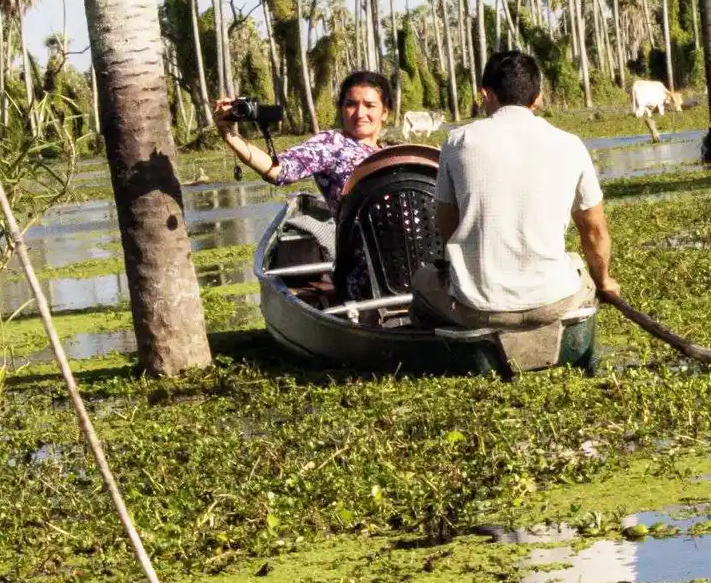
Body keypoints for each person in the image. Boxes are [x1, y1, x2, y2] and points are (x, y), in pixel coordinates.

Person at [409, 50, 617, 369]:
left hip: (476, 305)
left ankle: (446, 360)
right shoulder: (571, 144)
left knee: (422, 281)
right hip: (554, 301)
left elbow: (447, 226)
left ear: (485, 94)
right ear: (539, 98)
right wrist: (604, 282)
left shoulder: (457, 142)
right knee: (583, 275)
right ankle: (587, 361)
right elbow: (595, 231)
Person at [214, 71, 392, 213]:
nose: (360, 113)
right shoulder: (331, 144)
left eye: (370, 105)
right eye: (351, 104)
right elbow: (279, 170)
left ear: (384, 112)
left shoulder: (393, 152)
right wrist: (230, 136)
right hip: (363, 251)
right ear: (341, 109)